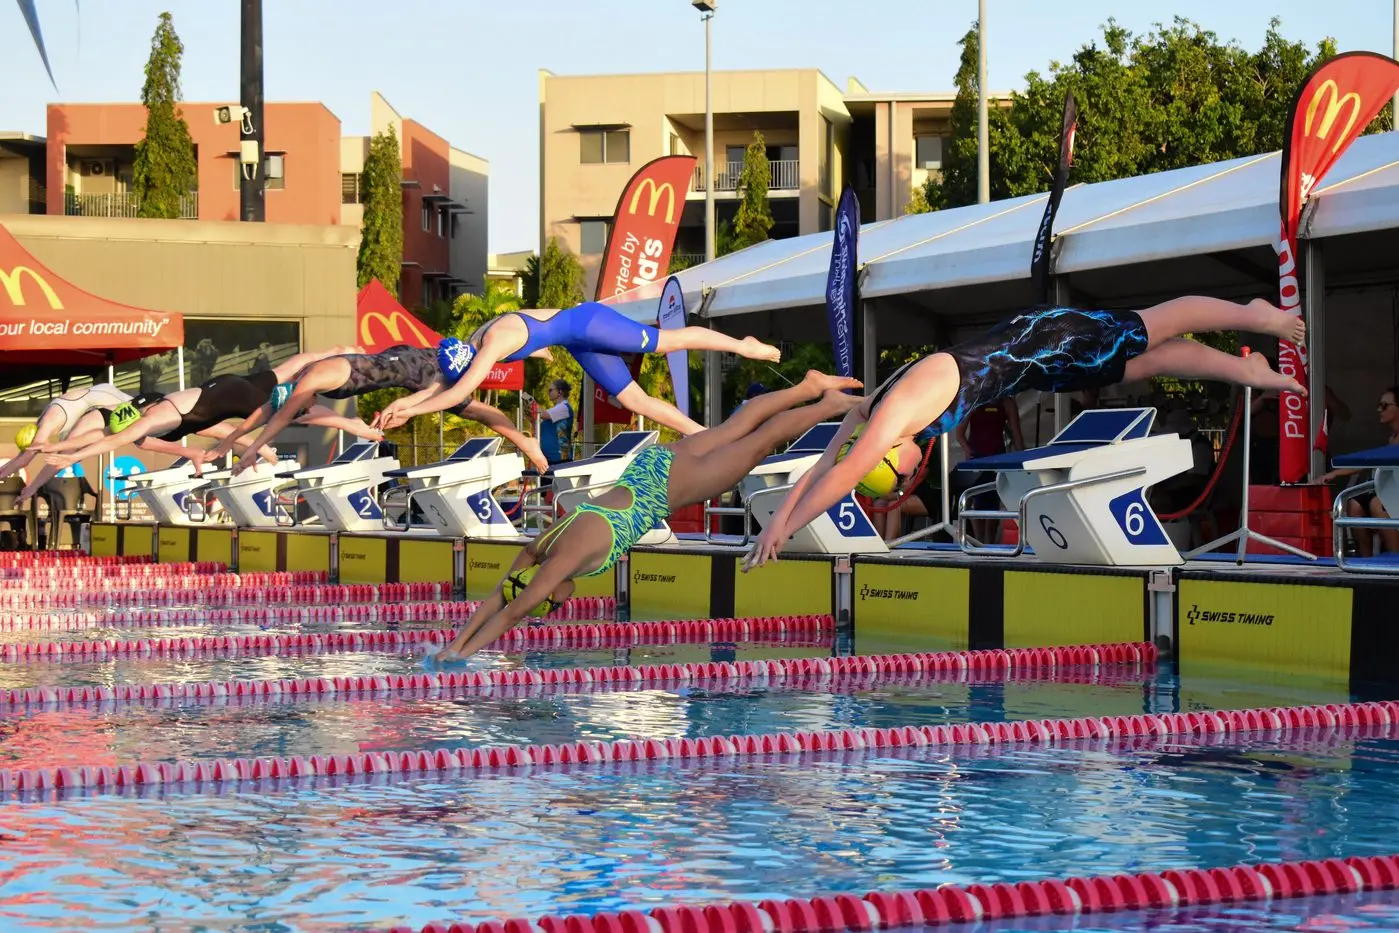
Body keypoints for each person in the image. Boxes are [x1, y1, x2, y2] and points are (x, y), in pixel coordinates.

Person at [743, 297, 1310, 570]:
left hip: (1047, 341)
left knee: (1156, 323)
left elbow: (841, 475)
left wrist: (786, 528)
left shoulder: (890, 420)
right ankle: (1246, 370)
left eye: (899, 468)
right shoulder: (866, 410)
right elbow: (820, 466)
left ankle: (1258, 316)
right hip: (1037, 360)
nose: (912, 466)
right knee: (1142, 363)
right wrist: (778, 527)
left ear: (887, 454)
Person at [433, 370, 863, 662]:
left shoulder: (558, 565)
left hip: (668, 488)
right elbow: (499, 597)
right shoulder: (541, 546)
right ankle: (810, 387)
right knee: (738, 425)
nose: (560, 607)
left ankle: (834, 406)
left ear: (547, 593)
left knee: (761, 439)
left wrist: (463, 657)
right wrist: (453, 646)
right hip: (650, 465)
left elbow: (511, 612)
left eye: (551, 606)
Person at [373, 301, 782, 437]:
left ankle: (741, 346)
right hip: (572, 340)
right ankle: (702, 435)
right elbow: (440, 386)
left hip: (590, 323)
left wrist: (410, 412)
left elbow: (456, 394)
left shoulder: (491, 344)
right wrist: (401, 404)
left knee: (664, 342)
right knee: (633, 399)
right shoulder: (471, 342)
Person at [36, 349, 378, 484]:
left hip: (229, 402)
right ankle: (353, 417)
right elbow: (234, 431)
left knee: (295, 415)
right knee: (296, 403)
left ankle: (352, 422)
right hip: (235, 389)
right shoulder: (165, 407)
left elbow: (116, 439)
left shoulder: (161, 419)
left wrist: (74, 453)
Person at [215, 344, 553, 477]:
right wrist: (230, 443)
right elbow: (265, 416)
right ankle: (532, 349)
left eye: (303, 407)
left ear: (291, 396)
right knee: (470, 354)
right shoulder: (306, 372)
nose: (310, 408)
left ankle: (527, 444)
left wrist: (253, 450)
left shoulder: (306, 385)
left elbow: (281, 418)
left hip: (413, 373)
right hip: (407, 359)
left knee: (474, 409)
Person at [0, 382, 136, 484]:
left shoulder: (49, 423)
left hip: (109, 400)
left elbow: (26, 459)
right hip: (99, 392)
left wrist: (31, 486)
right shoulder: (40, 424)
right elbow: (22, 457)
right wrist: (5, 469)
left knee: (142, 429)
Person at [1320, 384, 1399, 557]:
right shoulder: (1391, 438)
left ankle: (1395, 558)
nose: (1379, 410)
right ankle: (1365, 561)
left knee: (1376, 504)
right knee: (1354, 504)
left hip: (1393, 494)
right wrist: (1334, 473)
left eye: (1384, 405)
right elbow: (1372, 462)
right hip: (1388, 491)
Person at [954, 396, 1024, 544]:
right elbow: (959, 434)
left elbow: (1016, 434)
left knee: (992, 499)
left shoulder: (1007, 403)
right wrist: (968, 451)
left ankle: (989, 541)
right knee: (975, 498)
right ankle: (979, 540)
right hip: (976, 459)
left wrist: (1022, 460)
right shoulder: (973, 400)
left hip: (997, 458)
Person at [537, 379, 575, 467]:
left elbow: (542, 414)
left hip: (560, 458)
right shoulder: (556, 409)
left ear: (560, 392)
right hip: (550, 459)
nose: (548, 393)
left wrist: (530, 401)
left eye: (550, 390)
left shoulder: (564, 407)